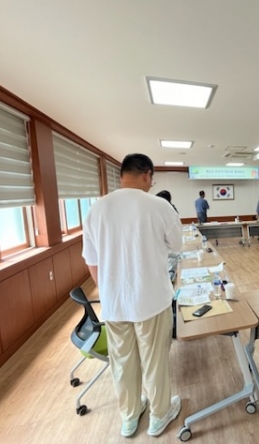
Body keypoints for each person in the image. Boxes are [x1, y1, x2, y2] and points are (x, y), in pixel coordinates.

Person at [82, 154, 183, 438]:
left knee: (122, 362)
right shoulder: (159, 206)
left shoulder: (96, 209)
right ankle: (160, 414)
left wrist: (111, 291)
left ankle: (129, 416)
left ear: (122, 174)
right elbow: (177, 245)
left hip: (114, 304)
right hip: (151, 300)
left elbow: (91, 261)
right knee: (154, 360)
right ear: (147, 174)